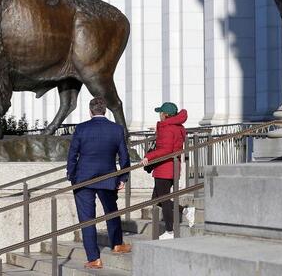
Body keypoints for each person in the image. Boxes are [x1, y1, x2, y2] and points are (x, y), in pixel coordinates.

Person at [66, 97, 131, 269]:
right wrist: (123, 177)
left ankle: (94, 258)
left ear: (90, 111)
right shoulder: (116, 129)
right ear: (105, 111)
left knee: (87, 219)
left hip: (83, 179)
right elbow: (124, 156)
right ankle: (117, 244)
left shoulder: (81, 128)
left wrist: (72, 176)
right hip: (108, 178)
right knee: (111, 212)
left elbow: (72, 155)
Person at [145, 102, 194, 239]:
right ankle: (186, 211)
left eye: (161, 113)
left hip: (164, 168)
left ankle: (169, 231)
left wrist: (148, 157)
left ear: (165, 114)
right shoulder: (178, 127)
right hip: (173, 167)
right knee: (157, 199)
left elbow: (165, 149)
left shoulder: (166, 128)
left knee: (163, 200)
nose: (159, 115)